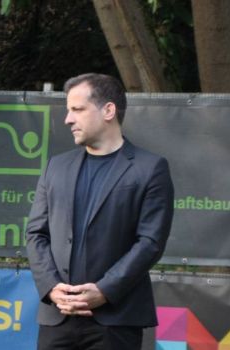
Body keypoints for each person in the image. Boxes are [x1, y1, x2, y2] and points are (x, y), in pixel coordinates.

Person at [25, 73, 174, 349]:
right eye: (68, 110)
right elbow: (36, 233)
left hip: (116, 320)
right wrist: (52, 288)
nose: (68, 119)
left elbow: (150, 242)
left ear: (108, 110)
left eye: (77, 109)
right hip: (57, 317)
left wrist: (105, 290)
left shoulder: (150, 168)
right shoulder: (55, 167)